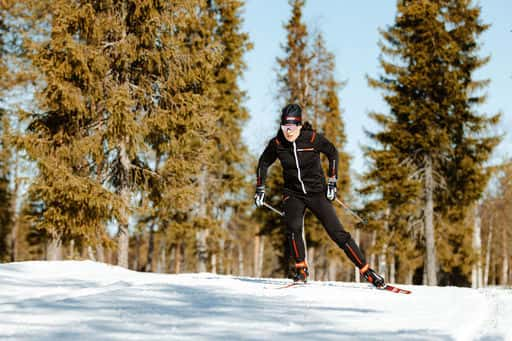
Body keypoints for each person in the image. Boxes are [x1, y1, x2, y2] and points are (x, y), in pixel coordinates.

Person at [254, 103, 385, 287]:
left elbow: (332, 152)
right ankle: (301, 269)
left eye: (292, 127)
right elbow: (263, 163)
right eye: (285, 127)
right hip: (293, 193)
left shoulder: (312, 138)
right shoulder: (277, 144)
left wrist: (332, 181)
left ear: (299, 125)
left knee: (336, 233)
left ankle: (366, 271)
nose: (288, 131)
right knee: (293, 227)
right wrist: (260, 188)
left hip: (317, 192)